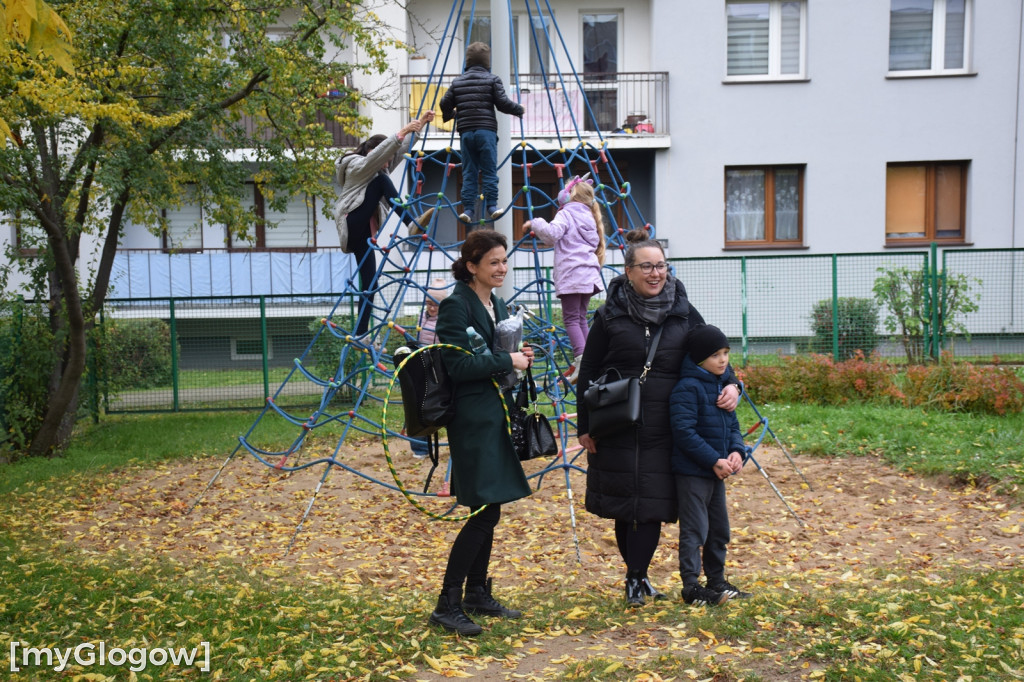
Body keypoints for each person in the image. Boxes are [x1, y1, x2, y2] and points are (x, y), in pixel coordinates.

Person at [575, 229, 741, 607]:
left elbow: (711, 351)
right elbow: (589, 370)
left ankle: (637, 577)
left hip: (667, 425)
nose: (655, 274)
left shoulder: (683, 311)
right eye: (647, 267)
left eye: (661, 266)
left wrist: (732, 384)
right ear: (629, 271)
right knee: (625, 505)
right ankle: (637, 576)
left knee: (651, 504)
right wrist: (585, 426)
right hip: (617, 422)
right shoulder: (610, 314)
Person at [429, 229, 535, 636]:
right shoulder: (455, 306)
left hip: (496, 413)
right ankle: (447, 603)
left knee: (490, 508)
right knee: (484, 509)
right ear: (471, 265)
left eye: (504, 261)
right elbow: (458, 367)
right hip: (473, 418)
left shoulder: (497, 303)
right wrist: (507, 360)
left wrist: (518, 357)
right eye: (494, 262)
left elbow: (496, 355)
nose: (502, 268)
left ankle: (475, 592)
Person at [669, 324, 752, 606]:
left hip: (717, 472)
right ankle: (691, 586)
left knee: (719, 529)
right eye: (715, 355)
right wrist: (713, 460)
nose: (723, 360)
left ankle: (716, 580)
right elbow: (684, 432)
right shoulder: (687, 388)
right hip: (693, 473)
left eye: (726, 353)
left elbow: (733, 426)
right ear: (699, 358)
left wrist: (737, 452)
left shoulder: (722, 387)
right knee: (695, 530)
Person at [334, 111, 436, 336]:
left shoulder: (380, 166)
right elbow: (377, 158)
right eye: (385, 159)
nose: (388, 163)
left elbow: (399, 149)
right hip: (352, 223)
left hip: (364, 234)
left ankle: (360, 332)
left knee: (370, 282)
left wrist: (420, 125)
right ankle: (410, 223)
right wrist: (402, 130)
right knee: (382, 180)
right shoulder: (355, 166)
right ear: (372, 151)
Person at [521, 175, 605, 384]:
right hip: (589, 274)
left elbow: (552, 234)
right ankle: (589, 357)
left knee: (571, 319)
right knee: (580, 317)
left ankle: (581, 358)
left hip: (572, 274)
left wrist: (535, 223)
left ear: (567, 196)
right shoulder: (589, 216)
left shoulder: (567, 213)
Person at [439, 42, 525, 223]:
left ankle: (468, 210)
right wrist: (519, 109)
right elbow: (502, 103)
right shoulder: (492, 79)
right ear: (487, 61)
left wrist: (450, 115)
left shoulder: (458, 82)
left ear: (468, 61)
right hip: (486, 131)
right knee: (489, 170)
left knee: (469, 172)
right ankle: (492, 205)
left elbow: (444, 103)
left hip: (466, 133)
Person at [410, 278, 449, 459]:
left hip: (439, 365)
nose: (431, 308)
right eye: (428, 304)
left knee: (443, 404)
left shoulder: (447, 319)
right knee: (418, 404)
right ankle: (420, 448)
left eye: (436, 305)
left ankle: (457, 440)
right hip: (421, 363)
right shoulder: (422, 317)